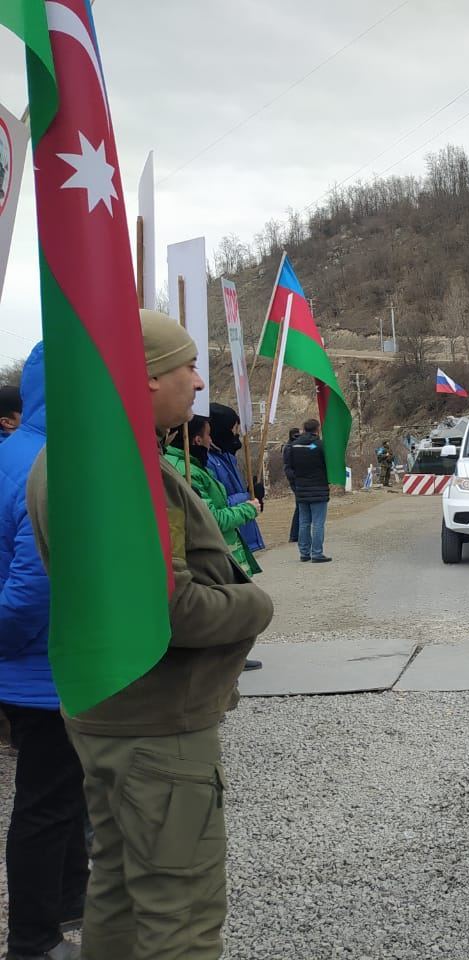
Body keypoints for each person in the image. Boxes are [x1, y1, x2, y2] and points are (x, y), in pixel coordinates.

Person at [27, 311, 274, 960]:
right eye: (184, 367)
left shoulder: (66, 454)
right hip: (156, 723)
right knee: (180, 914)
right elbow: (176, 610)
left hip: (106, 709)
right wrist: (256, 606)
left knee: (116, 892)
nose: (198, 382)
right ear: (141, 380)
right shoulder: (125, 468)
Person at [0, 343, 87, 960]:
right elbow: (35, 586)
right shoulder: (52, 461)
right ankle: (34, 939)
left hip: (33, 661)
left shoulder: (15, 451)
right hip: (42, 664)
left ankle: (66, 906)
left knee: (59, 796)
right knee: (47, 802)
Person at [163, 416, 261, 577]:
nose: (211, 440)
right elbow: (211, 518)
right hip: (211, 559)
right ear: (197, 439)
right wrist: (248, 508)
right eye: (208, 435)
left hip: (222, 550)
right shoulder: (186, 470)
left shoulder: (196, 464)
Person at [205, 402, 265, 555]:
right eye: (233, 429)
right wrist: (248, 497)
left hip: (241, 535)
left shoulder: (227, 456)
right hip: (226, 543)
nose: (236, 434)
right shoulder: (207, 462)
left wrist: (251, 494)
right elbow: (218, 505)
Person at [290, 418, 332, 563]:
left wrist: (294, 485)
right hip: (319, 489)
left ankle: (304, 553)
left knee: (304, 522)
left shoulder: (293, 446)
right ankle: (317, 553)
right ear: (317, 429)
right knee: (318, 523)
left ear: (304, 429)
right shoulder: (320, 446)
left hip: (301, 489)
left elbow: (288, 468)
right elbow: (329, 465)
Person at [283, 426, 301, 543]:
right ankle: (294, 535)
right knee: (300, 506)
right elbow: (288, 467)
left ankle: (296, 534)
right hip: (296, 480)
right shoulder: (290, 447)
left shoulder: (293, 446)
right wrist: (295, 479)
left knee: (300, 506)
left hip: (296, 479)